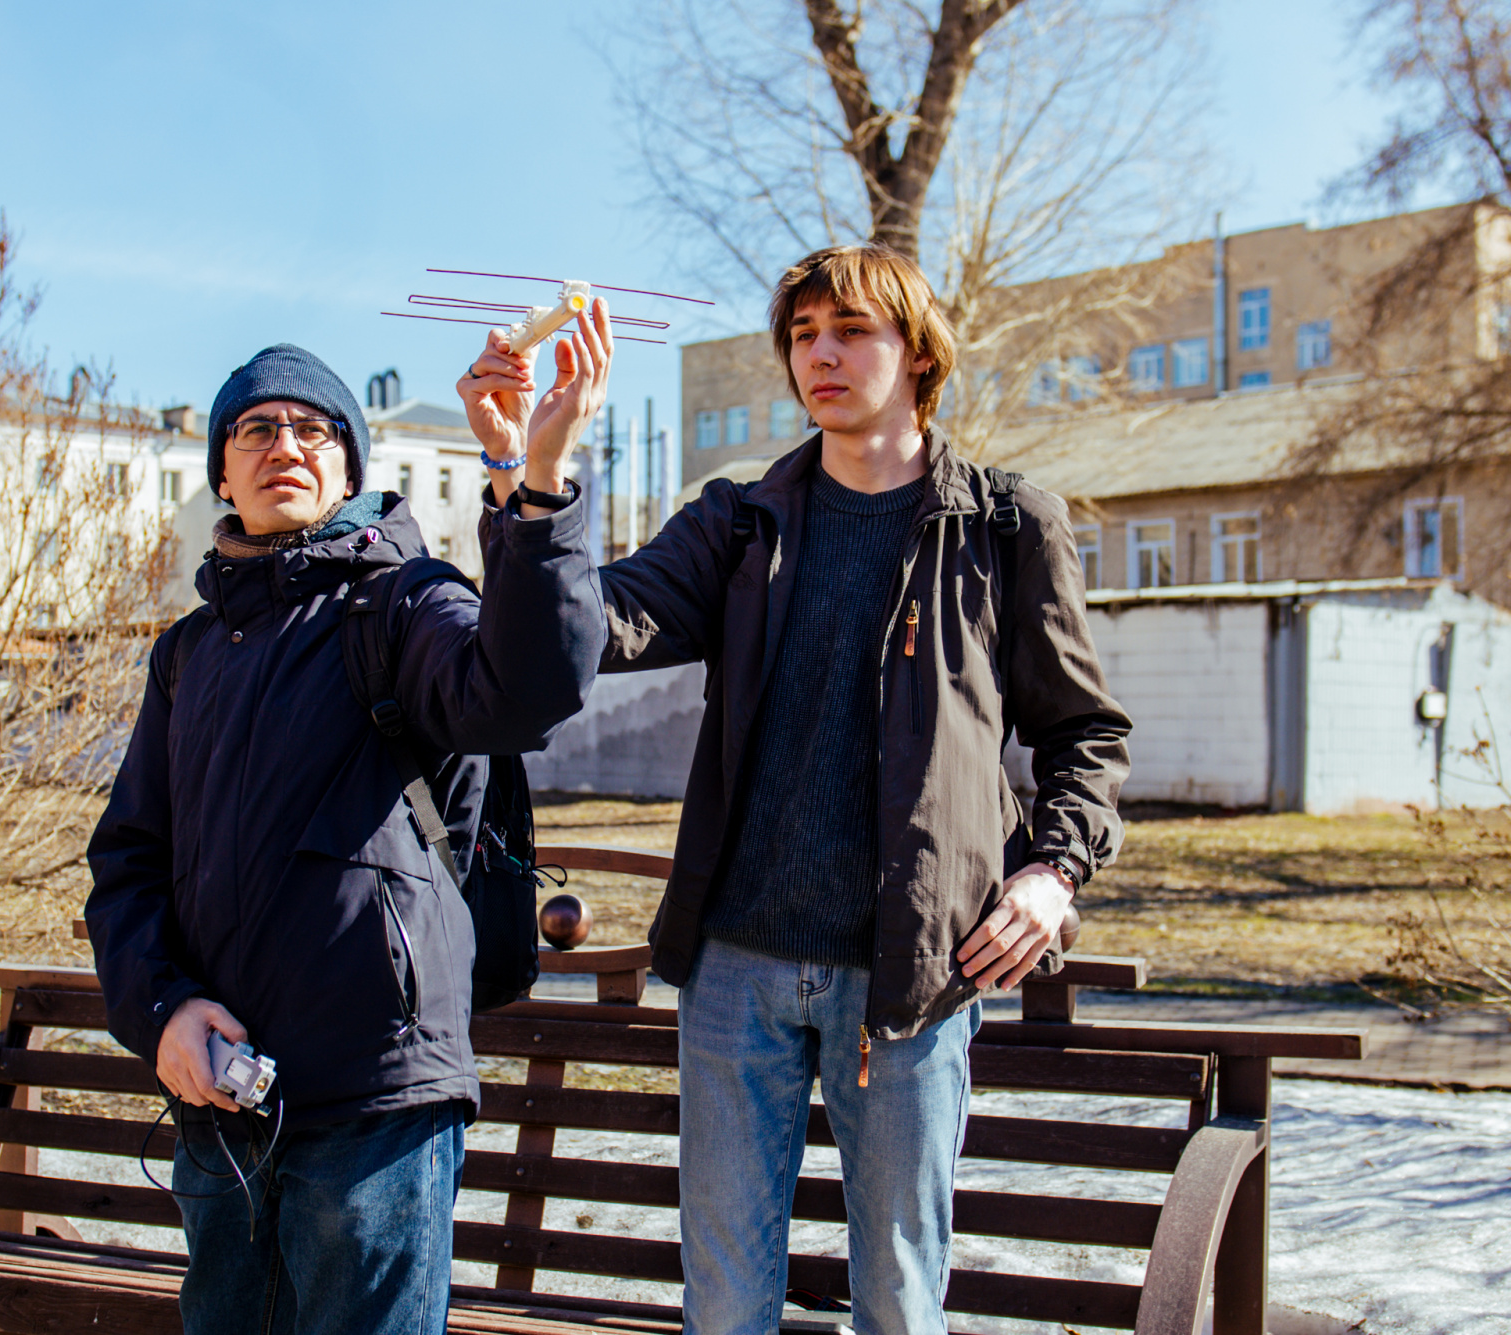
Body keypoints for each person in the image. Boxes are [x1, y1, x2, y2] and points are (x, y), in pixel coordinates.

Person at [476, 245, 1132, 1334]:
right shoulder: (738, 522)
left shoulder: (1005, 527)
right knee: (725, 1304)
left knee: (898, 1301)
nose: (819, 354)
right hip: (734, 971)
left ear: (918, 354)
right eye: (801, 335)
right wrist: (530, 468)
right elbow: (578, 629)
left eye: (850, 331)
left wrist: (1053, 872)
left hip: (912, 978)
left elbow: (1085, 735)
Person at [85, 320, 611, 1334]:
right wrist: (162, 1012)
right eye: (255, 430)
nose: (283, 445)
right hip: (224, 1101)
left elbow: (528, 691)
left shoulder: (405, 603)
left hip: (377, 1101)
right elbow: (129, 862)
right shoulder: (186, 654)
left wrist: (533, 478)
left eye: (313, 429)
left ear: (349, 469)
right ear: (222, 475)